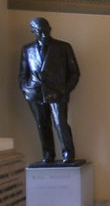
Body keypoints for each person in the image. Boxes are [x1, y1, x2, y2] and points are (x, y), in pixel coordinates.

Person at [18, 17, 81, 163]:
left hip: (57, 92)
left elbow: (74, 72)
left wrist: (66, 89)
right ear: (34, 31)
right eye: (40, 30)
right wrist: (26, 89)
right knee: (42, 124)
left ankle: (68, 153)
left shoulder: (63, 47)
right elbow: (23, 74)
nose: (44, 33)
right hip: (35, 92)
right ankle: (48, 154)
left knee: (60, 123)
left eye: (46, 29)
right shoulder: (27, 49)